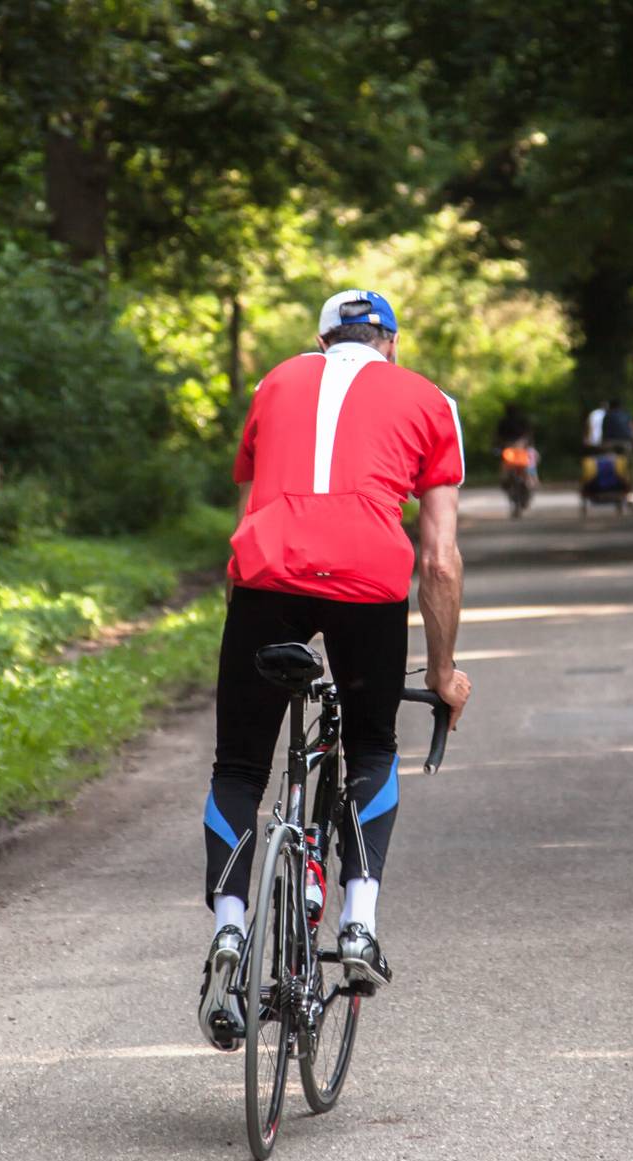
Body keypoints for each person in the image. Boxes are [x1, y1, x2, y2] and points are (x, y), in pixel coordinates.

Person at [197, 288, 473, 1050]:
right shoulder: (430, 401)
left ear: (320, 342)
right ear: (391, 342)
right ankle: (358, 921)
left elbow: (247, 517)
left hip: (265, 581)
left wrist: (243, 621)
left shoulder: (273, 387)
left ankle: (229, 931)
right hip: (368, 585)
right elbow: (441, 561)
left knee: (239, 764)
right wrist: (444, 672)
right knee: (373, 746)